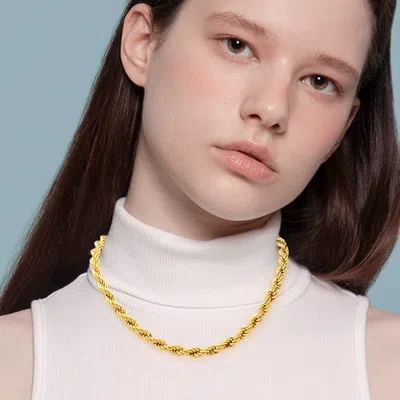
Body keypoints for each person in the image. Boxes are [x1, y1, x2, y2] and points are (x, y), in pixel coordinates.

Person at [0, 0, 399, 398]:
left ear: (345, 124)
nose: (271, 109)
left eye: (319, 82)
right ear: (142, 43)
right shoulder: (14, 365)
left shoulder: (386, 366)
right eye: (237, 45)